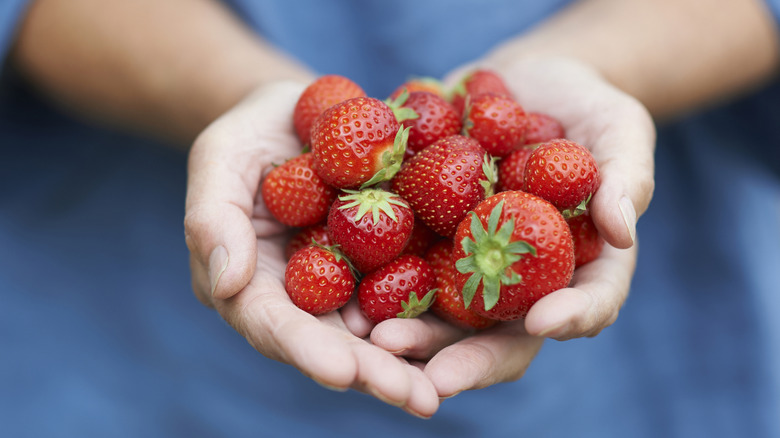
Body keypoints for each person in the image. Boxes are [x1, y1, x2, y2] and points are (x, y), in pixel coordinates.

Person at [1, 0, 778, 436]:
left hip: (640, 381)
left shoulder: (472, 186)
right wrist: (234, 88)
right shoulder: (414, 176)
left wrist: (602, 67)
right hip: (131, 345)